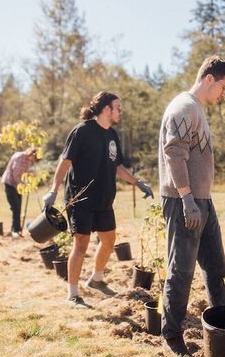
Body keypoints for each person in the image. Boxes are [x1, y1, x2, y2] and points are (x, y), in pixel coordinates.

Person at [158, 55, 225, 357]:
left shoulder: (198, 110)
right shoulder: (183, 107)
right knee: (181, 270)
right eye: (223, 88)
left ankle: (224, 328)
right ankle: (172, 335)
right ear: (209, 79)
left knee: (217, 269)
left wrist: (200, 200)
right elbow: (174, 154)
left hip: (202, 201)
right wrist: (188, 201)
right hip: (184, 202)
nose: (223, 95)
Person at [42, 92, 154, 308]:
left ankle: (97, 279)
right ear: (106, 109)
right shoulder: (82, 131)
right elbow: (65, 162)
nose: (120, 111)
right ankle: (73, 294)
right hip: (80, 198)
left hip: (103, 200)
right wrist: (53, 190)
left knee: (109, 240)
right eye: (117, 107)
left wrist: (137, 182)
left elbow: (117, 166)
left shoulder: (111, 134)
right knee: (81, 244)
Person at [2, 147, 38, 238]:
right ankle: (15, 231)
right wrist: (23, 186)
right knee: (16, 208)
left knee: (18, 208)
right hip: (10, 184)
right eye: (34, 158)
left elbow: (24, 173)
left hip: (18, 187)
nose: (34, 160)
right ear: (31, 154)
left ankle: (17, 230)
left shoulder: (27, 160)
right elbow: (16, 174)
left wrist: (30, 176)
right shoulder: (20, 157)